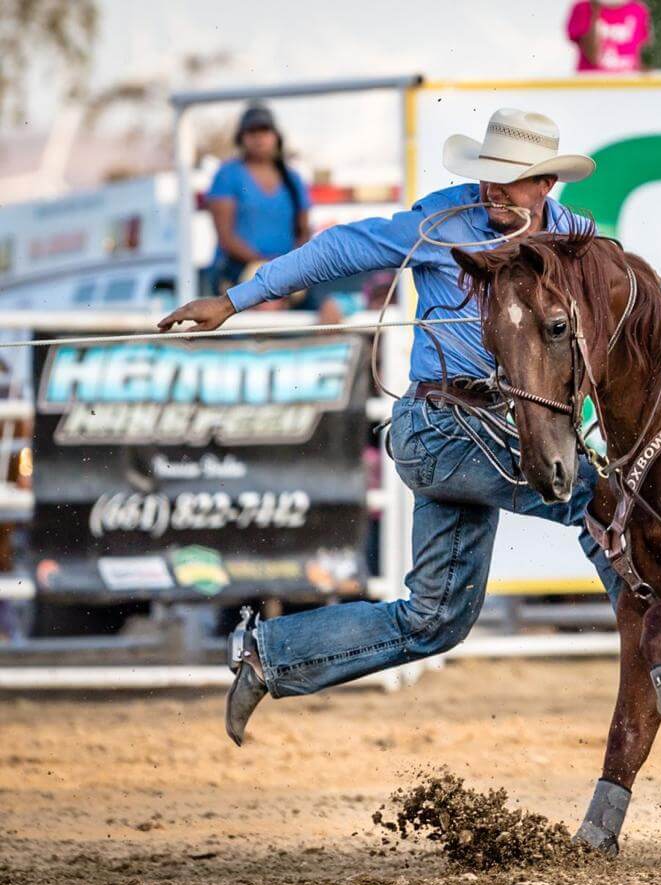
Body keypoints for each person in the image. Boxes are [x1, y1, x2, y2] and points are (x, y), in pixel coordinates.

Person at [158, 108, 622, 750]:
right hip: (440, 426)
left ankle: (270, 653)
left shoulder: (574, 240)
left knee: (435, 621)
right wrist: (234, 301)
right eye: (488, 176)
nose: (492, 190)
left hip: (489, 434)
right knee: (598, 500)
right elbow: (341, 247)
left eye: (510, 180)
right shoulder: (441, 223)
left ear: (545, 185)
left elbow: (627, 305)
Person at [206, 102, 311, 295]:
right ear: (241, 138)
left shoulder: (292, 178)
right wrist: (264, 266)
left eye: (264, 131)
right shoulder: (228, 174)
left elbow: (304, 231)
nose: (259, 138)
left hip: (288, 276)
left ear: (276, 136)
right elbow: (225, 236)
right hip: (238, 271)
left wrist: (288, 269)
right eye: (252, 132)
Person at [566, 0, 651, 73]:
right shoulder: (583, 8)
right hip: (591, 84)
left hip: (626, 84)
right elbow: (592, 57)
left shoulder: (638, 10)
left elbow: (637, 57)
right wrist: (594, 13)